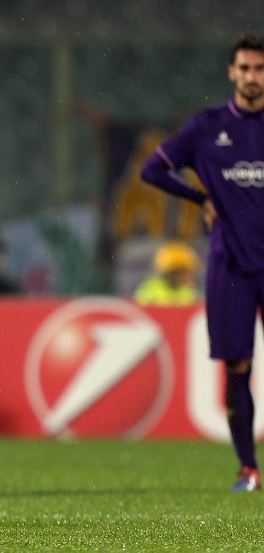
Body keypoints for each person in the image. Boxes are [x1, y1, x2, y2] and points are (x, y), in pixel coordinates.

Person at [140, 33, 264, 492]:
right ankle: (248, 468)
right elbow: (151, 170)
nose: (253, 77)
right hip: (229, 266)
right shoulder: (207, 127)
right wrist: (199, 197)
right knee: (236, 369)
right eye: (245, 68)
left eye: (260, 69)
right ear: (232, 73)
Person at [133, 241, 200, 306]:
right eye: (185, 271)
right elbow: (138, 308)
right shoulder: (150, 289)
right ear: (173, 272)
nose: (189, 275)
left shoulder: (188, 291)